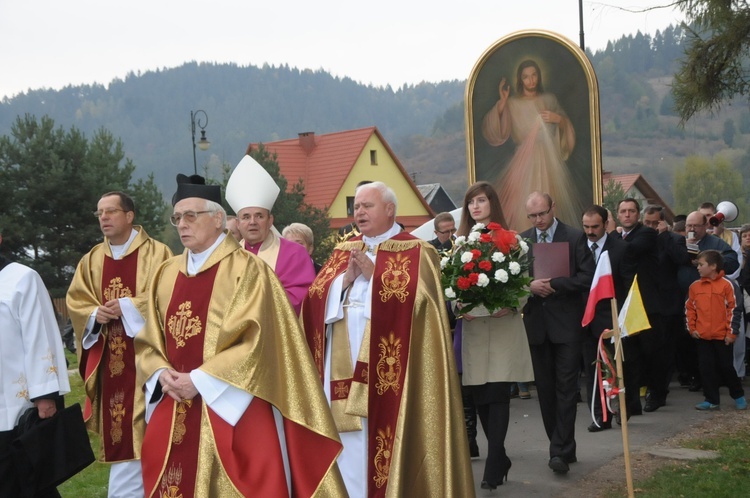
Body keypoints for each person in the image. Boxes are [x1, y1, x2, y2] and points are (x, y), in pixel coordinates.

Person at [135, 174, 345, 498]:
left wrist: (200, 380)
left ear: (218, 219)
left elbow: (259, 342)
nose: (182, 224)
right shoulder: (165, 274)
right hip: (174, 402)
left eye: (191, 216)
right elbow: (149, 339)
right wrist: (162, 374)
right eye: (177, 217)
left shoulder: (249, 270)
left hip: (235, 407)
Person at [300, 181, 474, 496]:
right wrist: (344, 281)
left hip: (391, 368)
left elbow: (425, 308)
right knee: (347, 441)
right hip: (342, 362)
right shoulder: (344, 249)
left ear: (390, 209)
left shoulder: (417, 250)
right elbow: (313, 299)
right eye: (357, 207)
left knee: (382, 436)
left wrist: (375, 275)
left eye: (368, 206)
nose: (359, 212)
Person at [66, 191, 172, 497]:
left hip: (149, 360)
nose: (104, 218)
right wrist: (93, 314)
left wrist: (127, 307)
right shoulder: (92, 260)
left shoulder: (158, 254)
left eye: (111, 211)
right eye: (99, 213)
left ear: (129, 216)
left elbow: (167, 296)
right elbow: (76, 301)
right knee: (123, 434)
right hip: (112, 367)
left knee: (157, 435)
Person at [456, 181, 534, 489]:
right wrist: (456, 300)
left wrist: (512, 302)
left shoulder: (512, 240)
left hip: (502, 326)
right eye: (471, 202)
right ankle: (500, 457)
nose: (475, 207)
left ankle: (492, 464)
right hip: (474, 325)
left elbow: (525, 282)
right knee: (480, 396)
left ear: (492, 204)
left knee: (498, 391)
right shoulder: (461, 244)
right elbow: (452, 281)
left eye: (481, 201)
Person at [520, 191, 594, 474]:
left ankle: (558, 452)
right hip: (537, 326)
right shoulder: (523, 240)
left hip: (567, 326)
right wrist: (530, 286)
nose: (539, 220)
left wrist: (557, 284)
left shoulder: (574, 237)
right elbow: (515, 279)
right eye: (533, 216)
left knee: (566, 389)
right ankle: (563, 445)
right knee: (546, 391)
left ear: (553, 207)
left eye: (542, 213)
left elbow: (587, 277)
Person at [0, 231, 71, 498]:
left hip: (14, 407)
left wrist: (45, 396)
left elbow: (40, 336)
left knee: (24, 482)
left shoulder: (21, 279)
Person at [482, 59, 581, 231]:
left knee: (551, 196)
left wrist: (559, 120)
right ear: (520, 80)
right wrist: (503, 102)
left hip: (548, 159)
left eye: (534, 75)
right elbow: (496, 132)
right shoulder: (513, 103)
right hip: (523, 162)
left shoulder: (549, 99)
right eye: (526, 77)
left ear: (539, 76)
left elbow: (566, 128)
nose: (531, 80)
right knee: (520, 204)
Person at [225, 155, 316, 315]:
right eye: (246, 217)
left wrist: (252, 305)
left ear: (270, 220)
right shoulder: (228, 258)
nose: (252, 222)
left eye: (259, 216)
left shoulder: (295, 253)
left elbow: (303, 298)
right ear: (238, 223)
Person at [580, 205, 631, 432]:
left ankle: (622, 407)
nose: (590, 231)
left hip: (611, 318)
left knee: (617, 367)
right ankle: (601, 415)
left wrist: (623, 317)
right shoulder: (578, 246)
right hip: (585, 318)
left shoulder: (620, 248)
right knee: (593, 369)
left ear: (606, 224)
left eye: (595, 227)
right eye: (586, 227)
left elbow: (628, 285)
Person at [614, 198, 665, 415]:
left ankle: (658, 395)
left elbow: (629, 250)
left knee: (652, 354)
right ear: (618, 215)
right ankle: (632, 404)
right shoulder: (618, 237)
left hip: (646, 304)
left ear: (638, 215)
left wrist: (612, 236)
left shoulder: (647, 234)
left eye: (631, 211)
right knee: (630, 357)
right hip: (625, 305)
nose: (627, 215)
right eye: (623, 211)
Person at [685, 250, 747, 411]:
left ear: (713, 266)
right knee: (706, 368)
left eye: (701, 264)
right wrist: (692, 329)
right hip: (703, 336)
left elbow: (734, 310)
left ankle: (738, 395)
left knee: (726, 367)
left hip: (722, 336)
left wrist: (731, 333)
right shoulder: (695, 286)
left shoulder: (728, 285)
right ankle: (711, 399)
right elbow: (689, 309)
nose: (698, 267)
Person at [642, 205, 692, 398]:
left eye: (655, 223)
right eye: (647, 222)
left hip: (667, 304)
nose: (651, 226)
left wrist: (663, 235)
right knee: (647, 350)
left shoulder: (675, 239)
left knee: (664, 351)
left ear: (663, 222)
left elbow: (681, 259)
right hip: (645, 302)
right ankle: (647, 386)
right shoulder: (640, 239)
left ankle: (659, 392)